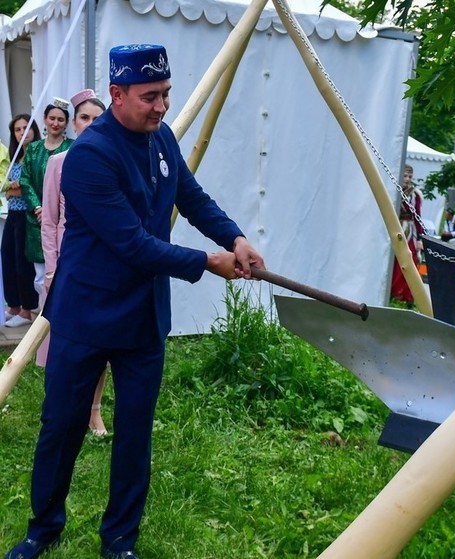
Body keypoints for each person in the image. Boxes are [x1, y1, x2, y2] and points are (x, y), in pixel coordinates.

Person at [4, 44, 265, 559]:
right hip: (84, 314)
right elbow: (131, 243)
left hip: (144, 318)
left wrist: (234, 238)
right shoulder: (87, 158)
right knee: (60, 426)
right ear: (117, 94)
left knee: (134, 433)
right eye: (150, 97)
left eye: (166, 94)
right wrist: (204, 262)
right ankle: (43, 529)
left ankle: (120, 539)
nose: (162, 106)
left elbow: (191, 198)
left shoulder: (161, 137)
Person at [39, 89, 108, 436]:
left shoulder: (113, 160)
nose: (91, 124)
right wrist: (51, 268)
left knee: (100, 342)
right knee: (61, 344)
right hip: (66, 263)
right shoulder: (58, 164)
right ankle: (59, 407)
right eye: (84, 118)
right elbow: (50, 220)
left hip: (101, 265)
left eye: (98, 118)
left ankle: (94, 410)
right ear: (73, 124)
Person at [19, 101, 73, 297]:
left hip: (65, 218)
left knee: (65, 272)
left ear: (67, 123)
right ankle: (44, 321)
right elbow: (25, 180)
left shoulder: (72, 148)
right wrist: (38, 208)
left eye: (60, 119)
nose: (56, 123)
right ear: (44, 119)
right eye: (52, 118)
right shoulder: (33, 149)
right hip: (37, 221)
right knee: (41, 277)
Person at [2, 115, 41, 327]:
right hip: (13, 214)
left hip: (28, 215)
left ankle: (27, 310)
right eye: (18, 129)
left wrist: (13, 189)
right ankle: (14, 305)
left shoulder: (36, 155)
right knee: (7, 257)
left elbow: (27, 187)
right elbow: (8, 189)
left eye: (26, 128)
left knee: (23, 262)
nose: (22, 133)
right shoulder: (14, 156)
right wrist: (12, 189)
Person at [390, 164, 423, 306]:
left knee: (409, 260)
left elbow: (418, 217)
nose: (408, 179)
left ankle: (409, 296)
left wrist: (420, 238)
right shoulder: (392, 190)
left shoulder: (414, 194)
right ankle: (391, 292)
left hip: (408, 231)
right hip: (393, 228)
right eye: (405, 176)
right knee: (393, 261)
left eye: (410, 176)